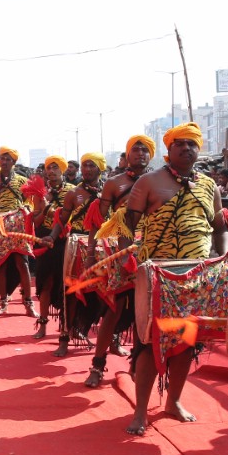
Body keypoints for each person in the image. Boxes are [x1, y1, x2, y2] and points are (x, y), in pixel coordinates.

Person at [118, 123, 228, 434]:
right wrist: (127, 260)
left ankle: (173, 401)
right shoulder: (148, 183)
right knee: (150, 344)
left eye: (191, 144)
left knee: (186, 342)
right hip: (158, 275)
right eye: (179, 143)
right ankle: (140, 411)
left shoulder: (210, 186)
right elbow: (127, 228)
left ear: (198, 149)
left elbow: (220, 228)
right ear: (168, 150)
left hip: (197, 276)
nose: (186, 148)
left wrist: (220, 258)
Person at [82, 134, 154, 386]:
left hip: (153, 250)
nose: (140, 154)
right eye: (135, 150)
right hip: (121, 251)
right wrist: (91, 254)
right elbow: (96, 222)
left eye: (145, 150)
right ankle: (97, 365)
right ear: (127, 154)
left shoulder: (159, 181)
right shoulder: (114, 183)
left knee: (145, 311)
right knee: (114, 309)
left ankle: (138, 363)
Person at [42, 153, 108, 356]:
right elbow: (62, 220)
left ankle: (107, 338)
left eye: (91, 165)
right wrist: (52, 237)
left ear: (99, 169)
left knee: (105, 295)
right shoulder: (74, 194)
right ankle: (64, 337)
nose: (87, 169)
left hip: (103, 246)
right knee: (70, 293)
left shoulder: (109, 191)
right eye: (85, 165)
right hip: (76, 246)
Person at [0, 147, 38, 317]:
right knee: (1, 266)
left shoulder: (22, 181)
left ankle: (28, 304)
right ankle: (4, 303)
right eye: (2, 159)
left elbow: (31, 202)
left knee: (23, 263)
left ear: (14, 162)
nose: (4, 162)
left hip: (18, 228)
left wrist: (26, 209)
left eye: (7, 159)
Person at [29, 156, 75, 340]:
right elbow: (35, 221)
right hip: (45, 239)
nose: (51, 171)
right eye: (49, 168)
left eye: (55, 167)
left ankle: (68, 327)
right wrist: (46, 207)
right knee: (45, 284)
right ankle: (42, 325)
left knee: (68, 286)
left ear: (62, 170)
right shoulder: (40, 193)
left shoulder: (73, 191)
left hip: (66, 242)